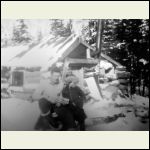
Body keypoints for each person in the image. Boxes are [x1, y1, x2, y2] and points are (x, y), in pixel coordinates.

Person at [30, 67, 76, 131]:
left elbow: (60, 94)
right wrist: (46, 96)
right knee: (42, 101)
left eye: (58, 76)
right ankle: (51, 121)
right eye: (55, 76)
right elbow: (34, 96)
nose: (57, 78)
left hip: (57, 103)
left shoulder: (61, 83)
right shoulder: (44, 83)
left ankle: (70, 120)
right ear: (51, 75)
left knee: (70, 102)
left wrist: (62, 100)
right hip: (48, 104)